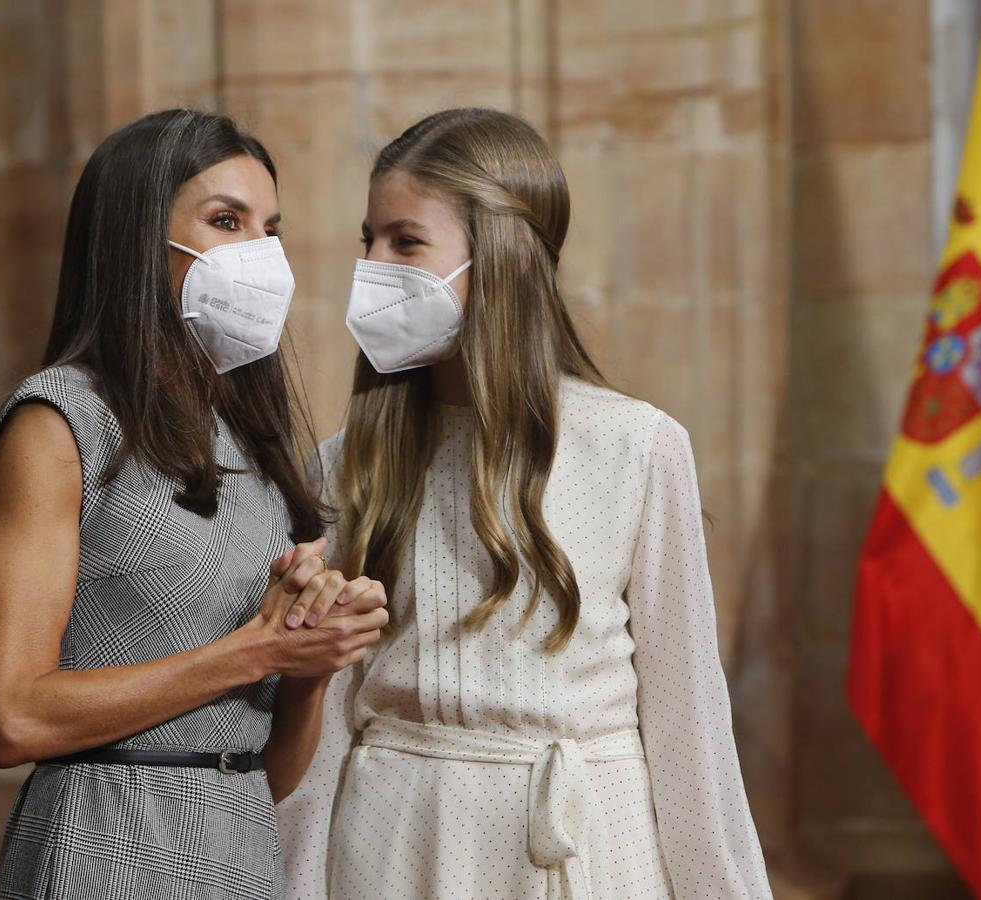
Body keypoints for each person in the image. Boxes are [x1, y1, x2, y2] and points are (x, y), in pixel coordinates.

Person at [278, 108, 771, 899]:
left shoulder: (636, 447)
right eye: (367, 238)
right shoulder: (347, 463)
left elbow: (691, 734)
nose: (372, 264)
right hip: (391, 844)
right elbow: (323, 718)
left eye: (406, 241)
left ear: (501, 259)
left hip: (580, 840)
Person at [0, 108, 388, 900]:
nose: (260, 253)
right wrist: (257, 651)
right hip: (100, 843)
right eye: (226, 221)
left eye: (269, 229)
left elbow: (273, 772)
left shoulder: (259, 448)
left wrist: (312, 657)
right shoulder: (59, 420)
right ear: (136, 239)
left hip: (239, 846)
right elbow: (11, 719)